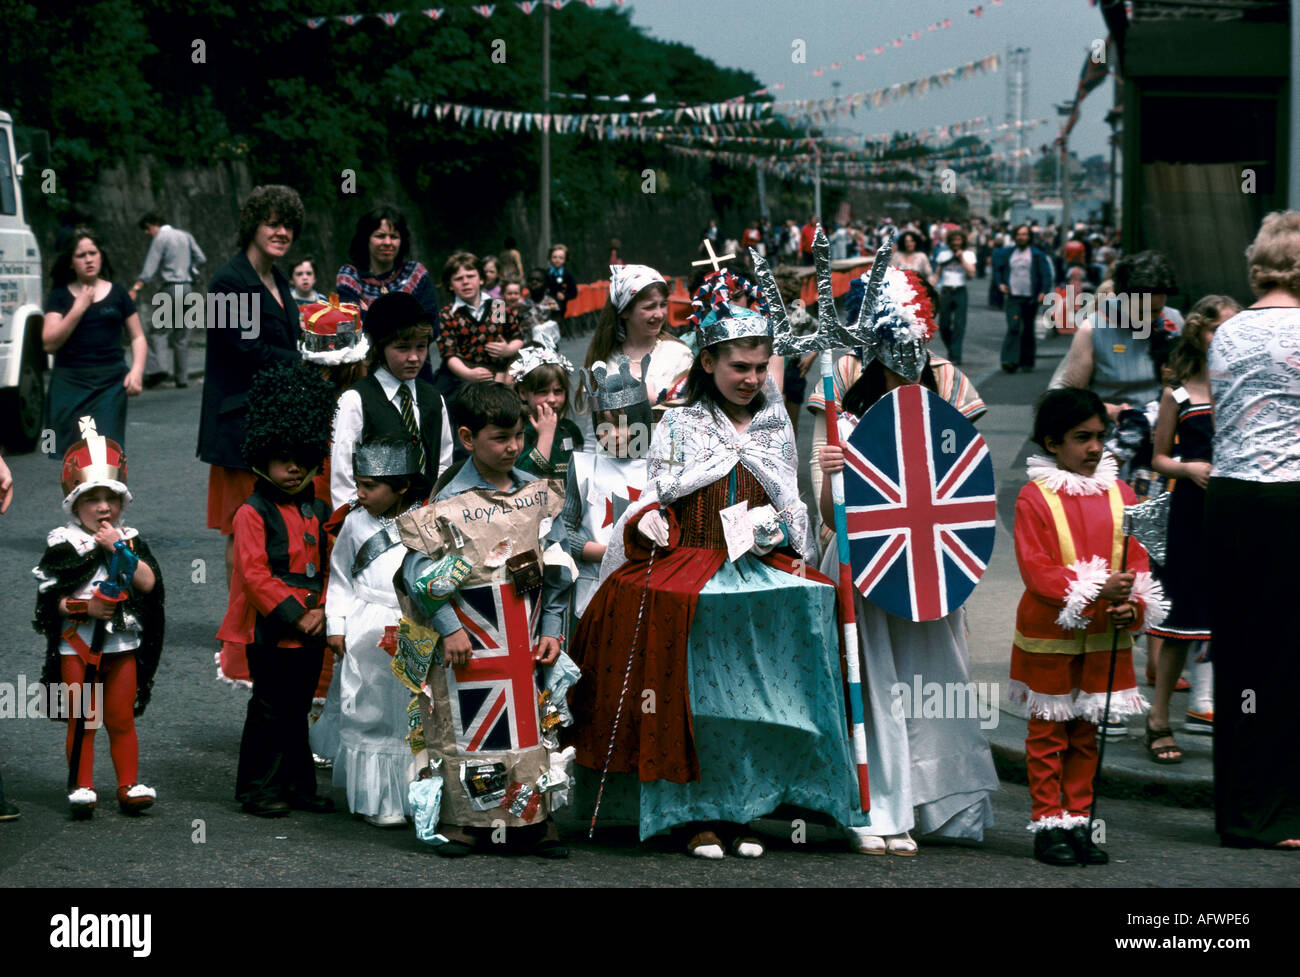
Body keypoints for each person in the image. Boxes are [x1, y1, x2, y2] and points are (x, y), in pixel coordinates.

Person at [569, 281, 868, 858]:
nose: (753, 378)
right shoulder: (679, 423)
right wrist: (649, 520)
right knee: (696, 701)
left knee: (753, 705)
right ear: (708, 362)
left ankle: (745, 810)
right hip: (693, 569)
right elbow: (655, 493)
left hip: (758, 570)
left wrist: (776, 531)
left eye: (761, 368)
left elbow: (792, 505)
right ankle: (693, 814)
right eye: (740, 367)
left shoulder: (775, 425)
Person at [813, 267, 998, 855]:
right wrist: (835, 476)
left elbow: (965, 483)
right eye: (896, 357)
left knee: (935, 676)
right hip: (861, 549)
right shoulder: (842, 374)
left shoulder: (948, 380)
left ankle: (939, 805)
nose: (906, 369)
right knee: (869, 679)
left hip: (930, 556)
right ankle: (876, 806)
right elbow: (824, 494)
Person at [399, 381, 576, 858]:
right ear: (466, 437)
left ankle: (535, 821)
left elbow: (558, 567)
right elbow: (417, 572)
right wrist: (449, 627)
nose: (513, 446)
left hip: (523, 635)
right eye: (500, 438)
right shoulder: (444, 502)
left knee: (531, 726)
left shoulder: (536, 494)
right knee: (470, 731)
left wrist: (553, 629)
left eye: (518, 435)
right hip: (470, 639)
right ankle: (467, 822)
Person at [1010, 387, 1167, 865]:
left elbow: (1138, 563)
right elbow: (1037, 572)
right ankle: (1048, 825)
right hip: (1050, 636)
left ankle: (1077, 821)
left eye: (1101, 436)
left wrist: (1133, 604)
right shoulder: (1033, 497)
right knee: (1048, 734)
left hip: (1103, 636)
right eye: (1083, 438)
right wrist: (1101, 587)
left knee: (1086, 732)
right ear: (1053, 442)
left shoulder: (1122, 494)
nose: (1096, 448)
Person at [1205, 210, 1300, 850]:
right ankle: (1287, 812)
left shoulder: (1226, 334)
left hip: (1233, 497)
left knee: (1240, 658)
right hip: (1292, 497)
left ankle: (1241, 812)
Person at [220, 362, 338, 818]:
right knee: (269, 707)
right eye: (283, 459)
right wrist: (296, 614)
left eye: (301, 459)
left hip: (313, 624)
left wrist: (324, 609)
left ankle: (296, 785)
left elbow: (332, 568)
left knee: (297, 706)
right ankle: (257, 788)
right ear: (262, 458)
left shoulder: (318, 506)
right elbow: (253, 574)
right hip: (273, 627)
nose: (293, 468)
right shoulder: (251, 512)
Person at [33, 417, 164, 819]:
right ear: (75, 503)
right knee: (83, 718)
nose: (103, 507)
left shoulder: (128, 539)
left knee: (121, 716)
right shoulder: (64, 544)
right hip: (77, 645)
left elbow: (148, 584)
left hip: (121, 644)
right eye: (92, 499)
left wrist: (118, 550)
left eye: (110, 498)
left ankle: (128, 784)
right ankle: (83, 785)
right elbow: (49, 599)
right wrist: (84, 607)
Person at [310, 436, 427, 826]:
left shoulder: (426, 519)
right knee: (370, 708)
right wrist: (337, 624)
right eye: (358, 483)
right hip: (367, 626)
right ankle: (378, 799)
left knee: (413, 709)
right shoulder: (355, 524)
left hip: (412, 623)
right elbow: (340, 577)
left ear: (402, 487)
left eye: (369, 486)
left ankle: (415, 793)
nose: (359, 493)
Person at [1143, 295, 1240, 764]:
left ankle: (1235, 716)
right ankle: (1158, 718)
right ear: (1199, 333)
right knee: (1181, 620)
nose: (1225, 336)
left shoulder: (1242, 387)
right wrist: (1187, 469)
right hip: (1189, 512)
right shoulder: (1177, 394)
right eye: (1218, 328)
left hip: (1235, 512)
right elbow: (1158, 457)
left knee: (1234, 621)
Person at [198, 185, 307, 583]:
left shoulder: (277, 278)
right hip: (238, 425)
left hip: (273, 422)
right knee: (242, 530)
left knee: (272, 526)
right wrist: (312, 362)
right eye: (273, 224)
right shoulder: (228, 282)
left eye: (289, 226)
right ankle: (237, 637)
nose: (282, 233)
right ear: (252, 226)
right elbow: (251, 352)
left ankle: (262, 628)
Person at [331, 291, 454, 511]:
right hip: (375, 525)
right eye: (402, 348)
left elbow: (444, 463)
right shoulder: (356, 400)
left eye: (421, 347)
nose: (414, 357)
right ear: (380, 348)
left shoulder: (433, 399)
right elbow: (344, 478)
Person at [563, 353, 652, 621]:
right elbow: (564, 529)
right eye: (604, 425)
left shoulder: (661, 466)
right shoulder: (583, 466)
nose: (612, 434)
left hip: (650, 582)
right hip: (595, 585)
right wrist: (608, 553)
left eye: (622, 424)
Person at [42, 229, 147, 455]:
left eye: (93, 252)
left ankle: (108, 490)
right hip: (72, 384)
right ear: (71, 262)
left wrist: (137, 371)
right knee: (80, 455)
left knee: (105, 453)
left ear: (101, 256)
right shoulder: (59, 296)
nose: (88, 259)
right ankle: (87, 491)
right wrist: (78, 309)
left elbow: (137, 336)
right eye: (81, 255)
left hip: (109, 385)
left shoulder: (118, 293)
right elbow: (49, 343)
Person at [1056, 251, 1183, 417]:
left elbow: (1191, 383)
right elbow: (1072, 396)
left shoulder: (1175, 320)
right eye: (1141, 312)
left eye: (1156, 311)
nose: (1150, 319)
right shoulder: (1092, 330)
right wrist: (1107, 410)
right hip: (1114, 430)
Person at [583, 264, 691, 415]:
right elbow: (595, 428)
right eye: (649, 307)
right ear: (625, 311)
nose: (659, 314)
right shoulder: (604, 362)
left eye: (663, 305)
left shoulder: (678, 354)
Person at [129, 212, 206, 388]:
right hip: (188, 288)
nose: (147, 234)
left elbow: (150, 268)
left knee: (157, 331)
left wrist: (136, 288)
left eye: (147, 229)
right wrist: (191, 270)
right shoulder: (185, 236)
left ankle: (159, 369)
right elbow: (201, 258)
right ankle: (182, 378)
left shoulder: (161, 238)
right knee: (182, 337)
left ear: (153, 224)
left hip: (171, 288)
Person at [435, 251, 525, 398]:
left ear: (481, 279)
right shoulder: (448, 314)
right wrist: (468, 374)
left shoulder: (497, 307)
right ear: (450, 285)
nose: (465, 282)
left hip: (497, 372)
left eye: (471, 276)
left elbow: (517, 336)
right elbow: (449, 354)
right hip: (461, 377)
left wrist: (508, 349)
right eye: (458, 279)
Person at [335, 205, 440, 328]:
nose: (388, 242)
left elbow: (431, 325)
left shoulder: (416, 274)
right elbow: (351, 325)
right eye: (380, 236)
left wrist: (369, 315)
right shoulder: (349, 276)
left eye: (394, 237)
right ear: (366, 239)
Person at [512, 340, 583, 477]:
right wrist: (545, 435)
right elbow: (528, 477)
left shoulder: (570, 429)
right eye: (542, 392)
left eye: (558, 391)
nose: (552, 399)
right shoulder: (520, 433)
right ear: (523, 392)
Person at [990, 224, 1054, 373]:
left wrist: (1043, 291)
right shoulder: (1008, 253)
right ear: (1014, 236)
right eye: (1019, 234)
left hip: (1031, 297)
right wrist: (1000, 284)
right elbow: (998, 271)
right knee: (1013, 326)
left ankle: (1027, 361)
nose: (1021, 237)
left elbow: (1046, 275)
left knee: (1027, 329)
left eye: (1025, 234)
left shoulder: (1037, 254)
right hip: (1013, 297)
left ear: (1029, 237)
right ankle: (1009, 361)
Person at [932, 229, 976, 365]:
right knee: (944, 324)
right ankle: (952, 349)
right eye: (953, 240)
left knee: (959, 324)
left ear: (963, 241)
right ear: (950, 241)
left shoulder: (969, 254)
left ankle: (955, 356)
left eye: (959, 240)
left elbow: (971, 274)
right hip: (945, 291)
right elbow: (937, 274)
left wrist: (961, 257)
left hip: (960, 291)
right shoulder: (943, 254)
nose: (956, 243)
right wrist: (930, 288)